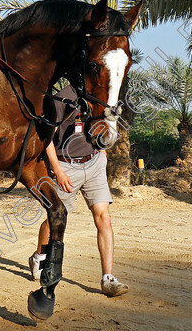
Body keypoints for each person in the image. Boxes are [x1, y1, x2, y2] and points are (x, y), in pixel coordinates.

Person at [29, 85, 130, 297]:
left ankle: (108, 278)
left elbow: (103, 125)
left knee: (104, 218)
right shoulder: (61, 99)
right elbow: (46, 140)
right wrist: (58, 171)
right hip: (66, 166)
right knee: (55, 218)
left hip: (93, 163)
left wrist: (101, 152)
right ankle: (39, 257)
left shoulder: (99, 96)